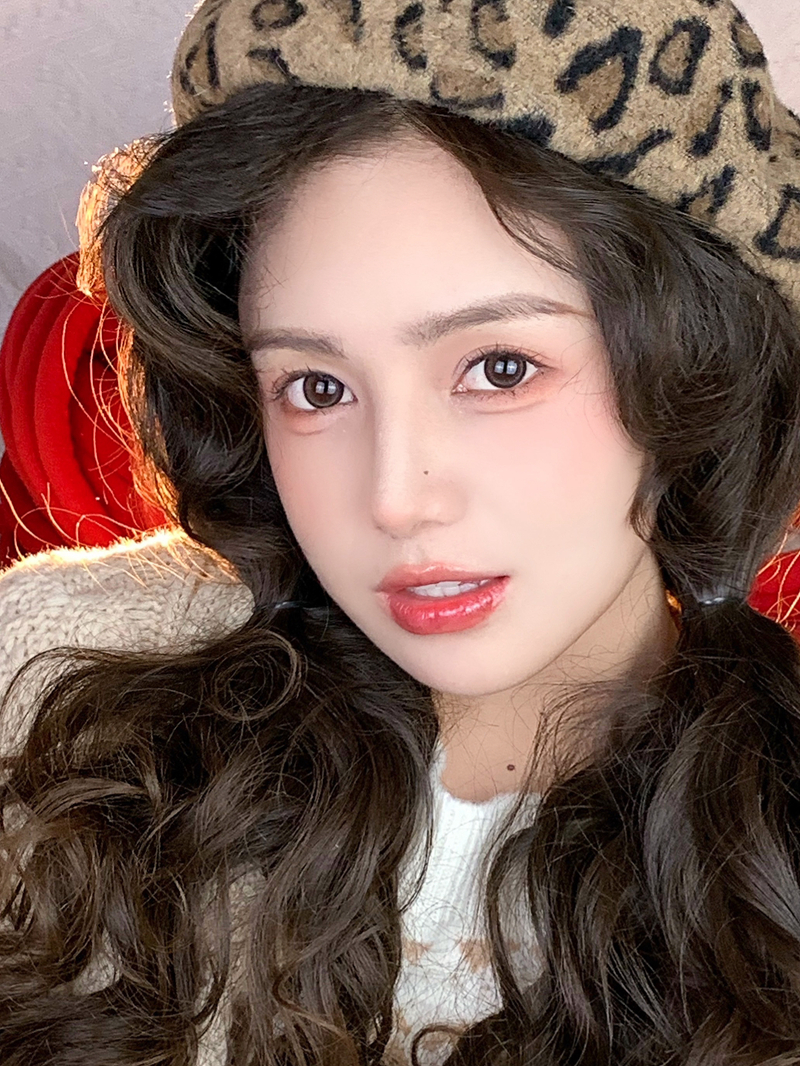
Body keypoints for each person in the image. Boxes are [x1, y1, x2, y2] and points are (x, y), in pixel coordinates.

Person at [2, 0, 800, 1063]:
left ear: (695, 372)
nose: (392, 497)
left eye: (499, 369)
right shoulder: (51, 673)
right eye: (316, 386)